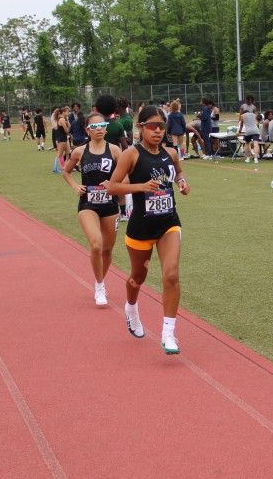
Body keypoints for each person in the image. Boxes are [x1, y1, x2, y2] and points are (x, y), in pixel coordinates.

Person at [106, 105, 189, 355]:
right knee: (138, 277)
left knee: (171, 275)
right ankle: (131, 308)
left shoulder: (171, 153)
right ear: (140, 127)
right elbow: (112, 187)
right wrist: (140, 187)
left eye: (161, 126)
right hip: (141, 227)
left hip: (168, 224)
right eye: (152, 126)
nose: (157, 131)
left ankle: (168, 333)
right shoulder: (131, 154)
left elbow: (178, 172)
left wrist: (182, 182)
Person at [62, 112, 124, 307]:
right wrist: (74, 185)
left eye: (102, 125)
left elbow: (127, 175)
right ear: (87, 130)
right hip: (88, 204)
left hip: (110, 205)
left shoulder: (115, 150)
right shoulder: (80, 151)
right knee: (96, 245)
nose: (99, 129)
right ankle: (100, 286)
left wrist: (114, 185)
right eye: (94, 126)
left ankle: (100, 281)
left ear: (106, 128)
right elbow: (66, 171)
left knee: (107, 249)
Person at [52, 107, 70, 174]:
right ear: (63, 112)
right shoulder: (62, 119)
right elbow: (66, 130)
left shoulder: (63, 119)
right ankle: (55, 168)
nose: (68, 113)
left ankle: (68, 167)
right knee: (59, 154)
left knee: (68, 153)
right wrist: (70, 133)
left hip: (64, 138)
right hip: (62, 139)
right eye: (67, 112)